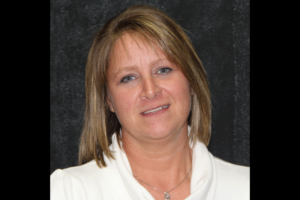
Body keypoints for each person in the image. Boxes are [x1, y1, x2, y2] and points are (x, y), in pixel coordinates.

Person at [50, 5, 249, 200]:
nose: (150, 91)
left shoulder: (244, 187)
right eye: (128, 78)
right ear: (108, 100)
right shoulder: (70, 192)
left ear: (192, 81)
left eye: (163, 70)